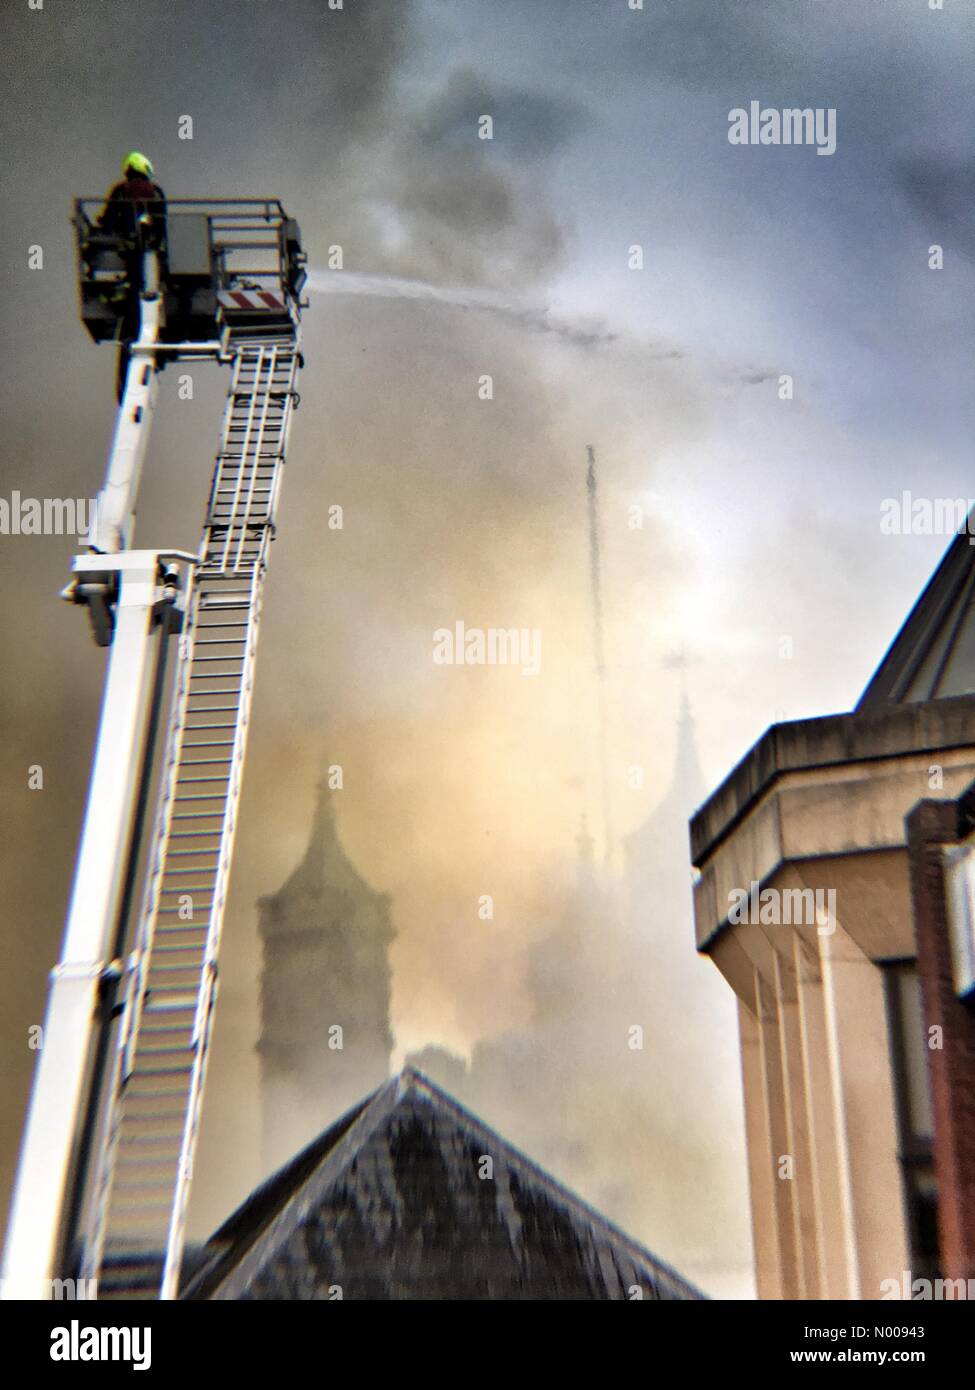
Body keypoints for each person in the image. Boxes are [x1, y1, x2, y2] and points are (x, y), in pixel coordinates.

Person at [98, 153, 166, 402]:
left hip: (128, 259)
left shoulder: (119, 192)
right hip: (150, 262)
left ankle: (126, 385)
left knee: (131, 318)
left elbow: (106, 222)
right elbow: (163, 225)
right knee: (140, 314)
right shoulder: (155, 192)